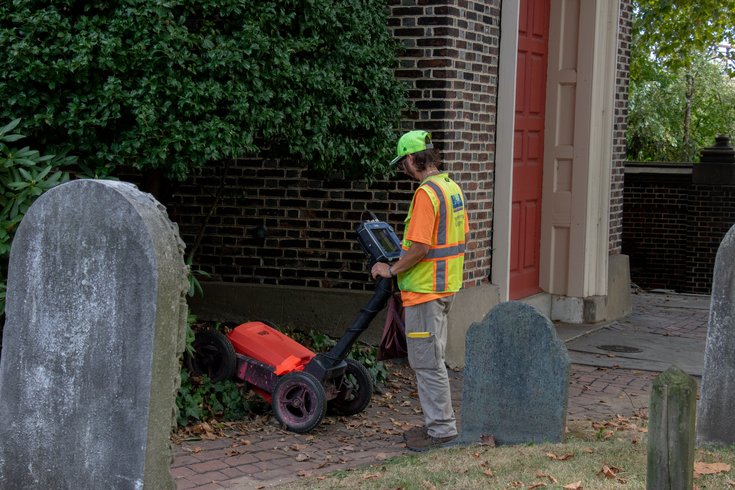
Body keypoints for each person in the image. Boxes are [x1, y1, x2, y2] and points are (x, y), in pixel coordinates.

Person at [371, 130, 469, 451]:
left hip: (426, 291)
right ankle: (437, 426)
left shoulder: (426, 195)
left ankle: (441, 432)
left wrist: (392, 269)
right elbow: (460, 235)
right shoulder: (451, 188)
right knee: (434, 359)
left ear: (413, 159)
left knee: (427, 363)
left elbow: (421, 247)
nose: (403, 170)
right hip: (444, 288)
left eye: (403, 164)